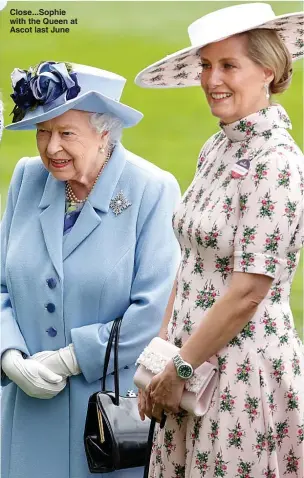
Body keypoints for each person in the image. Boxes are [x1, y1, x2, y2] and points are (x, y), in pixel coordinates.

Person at [135, 3, 304, 477]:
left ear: (267, 71)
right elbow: (190, 259)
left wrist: (179, 369)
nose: (212, 80)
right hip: (186, 369)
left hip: (242, 378)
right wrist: (162, 353)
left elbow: (248, 291)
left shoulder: (277, 162)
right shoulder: (217, 145)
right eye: (206, 66)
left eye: (229, 65)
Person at [0, 60, 181, 478]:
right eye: (42, 132)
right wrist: (10, 356)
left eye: (66, 133)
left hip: (106, 423)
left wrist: (69, 359)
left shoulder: (151, 189)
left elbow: (155, 311)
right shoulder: (27, 179)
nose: (51, 147)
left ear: (105, 133)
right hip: (27, 416)